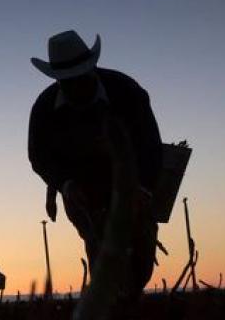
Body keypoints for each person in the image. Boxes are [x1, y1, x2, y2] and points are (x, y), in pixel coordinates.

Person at [28, 30, 162, 300]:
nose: (75, 86)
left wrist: (143, 189)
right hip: (81, 188)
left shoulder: (127, 92)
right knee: (99, 246)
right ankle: (110, 304)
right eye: (68, 81)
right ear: (58, 80)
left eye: (80, 78)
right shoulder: (44, 108)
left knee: (139, 251)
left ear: (92, 69)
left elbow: (150, 145)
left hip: (133, 178)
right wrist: (64, 183)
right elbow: (39, 156)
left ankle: (131, 291)